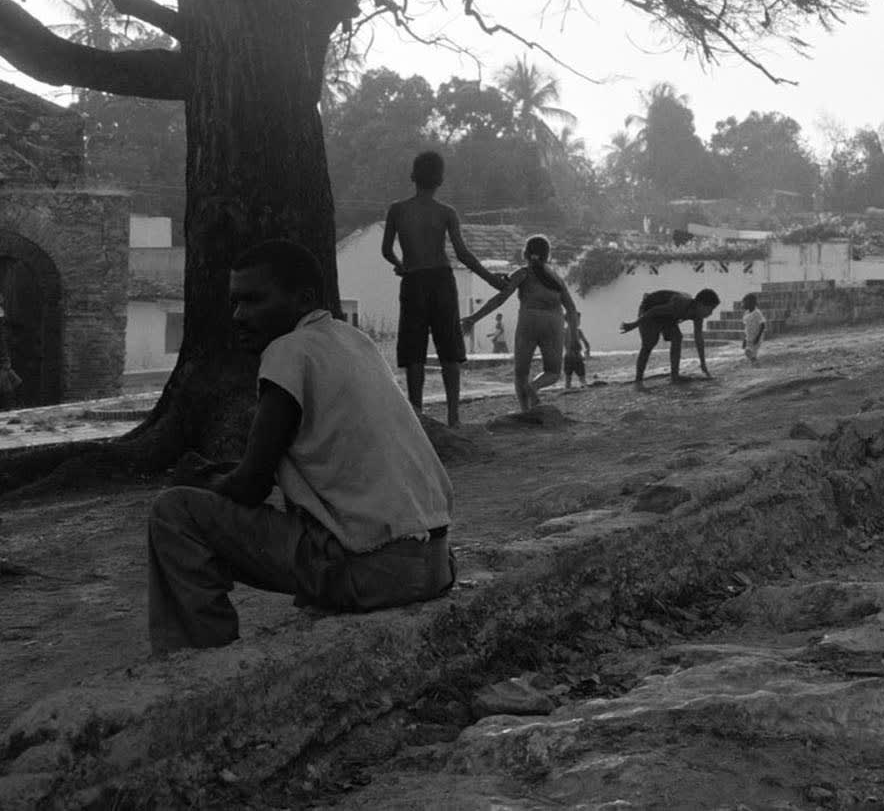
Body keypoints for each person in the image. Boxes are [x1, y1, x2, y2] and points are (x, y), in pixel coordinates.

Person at [146, 240, 456, 654]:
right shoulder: (354, 340)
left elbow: (251, 486)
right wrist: (221, 474)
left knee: (174, 512)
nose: (238, 316)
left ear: (304, 299)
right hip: (435, 565)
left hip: (375, 573)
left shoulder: (287, 351)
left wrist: (197, 482)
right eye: (235, 303)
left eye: (254, 300)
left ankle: (198, 662)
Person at [382, 151, 506, 427]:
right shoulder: (446, 212)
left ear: (413, 177)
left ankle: (417, 416)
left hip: (413, 280)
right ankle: (453, 418)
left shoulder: (397, 210)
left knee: (414, 351)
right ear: (440, 180)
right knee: (449, 348)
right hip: (441, 281)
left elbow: (386, 250)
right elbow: (463, 254)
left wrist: (401, 266)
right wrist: (491, 280)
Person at [463, 235, 581, 412]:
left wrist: (474, 318)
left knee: (521, 372)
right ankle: (534, 387)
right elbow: (571, 309)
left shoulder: (522, 273)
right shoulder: (556, 278)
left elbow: (500, 299)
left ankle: (525, 410)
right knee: (553, 372)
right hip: (553, 324)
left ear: (525, 254)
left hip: (529, 321)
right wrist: (575, 338)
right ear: (548, 255)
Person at [620, 289, 720, 386]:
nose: (711, 313)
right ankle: (638, 379)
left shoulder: (698, 315)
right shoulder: (681, 304)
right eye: (710, 309)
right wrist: (634, 325)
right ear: (700, 304)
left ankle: (675, 376)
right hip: (649, 308)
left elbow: (699, 339)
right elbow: (653, 311)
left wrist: (703, 364)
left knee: (677, 337)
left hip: (667, 316)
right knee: (649, 343)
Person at [741, 293, 767, 364]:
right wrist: (745, 339)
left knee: (749, 351)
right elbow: (746, 327)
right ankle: (754, 362)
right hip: (749, 337)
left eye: (745, 303)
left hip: (756, 337)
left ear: (751, 303)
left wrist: (758, 337)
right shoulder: (746, 313)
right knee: (748, 352)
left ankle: (755, 363)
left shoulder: (757, 313)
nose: (743, 305)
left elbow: (763, 325)